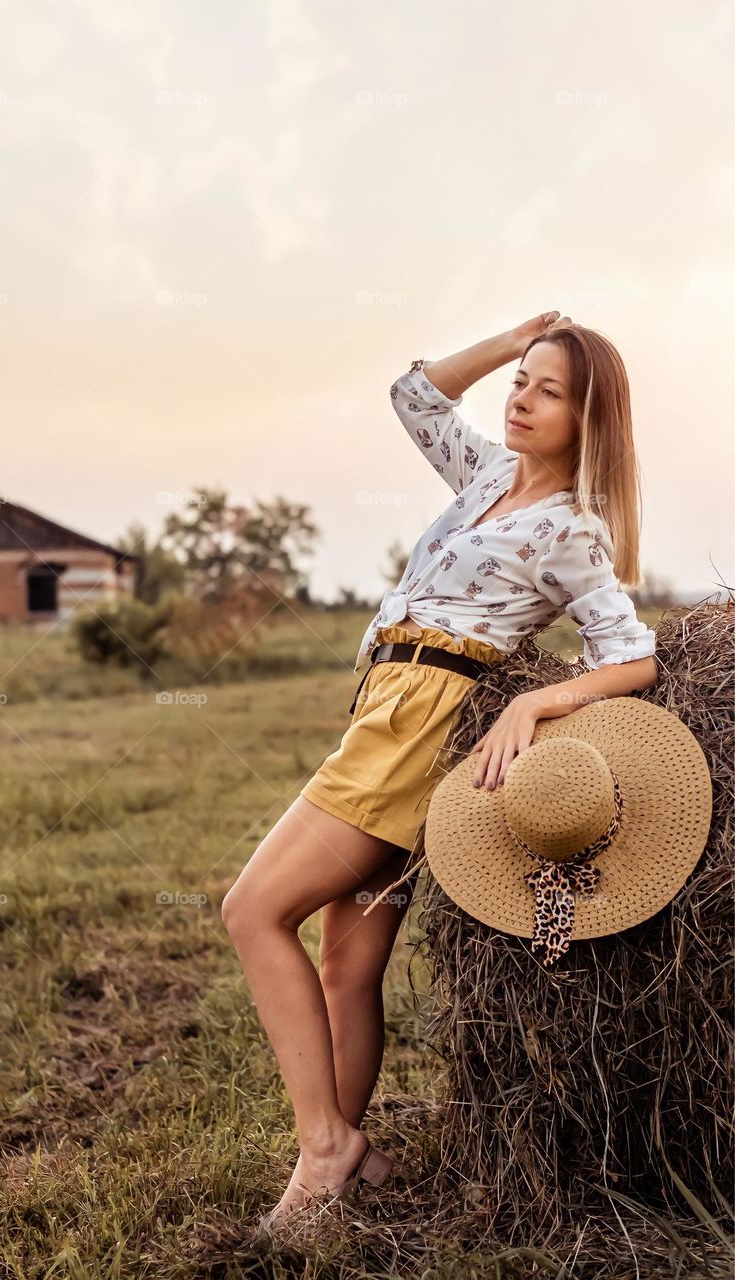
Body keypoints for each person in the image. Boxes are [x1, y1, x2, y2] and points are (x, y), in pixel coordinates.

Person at [221, 311, 658, 1229]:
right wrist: (515, 339)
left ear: (588, 420)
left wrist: (532, 702)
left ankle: (326, 1144)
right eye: (520, 382)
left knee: (252, 911)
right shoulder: (487, 474)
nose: (522, 400)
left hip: (420, 727)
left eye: (549, 391)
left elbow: (632, 657)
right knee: (347, 963)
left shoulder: (569, 529)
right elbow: (414, 397)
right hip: (387, 711)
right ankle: (325, 1178)